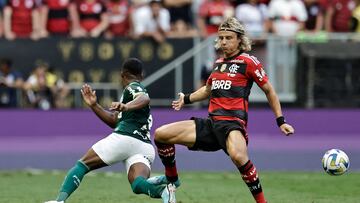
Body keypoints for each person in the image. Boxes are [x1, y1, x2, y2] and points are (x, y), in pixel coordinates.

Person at [150, 17, 295, 203]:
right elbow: (208, 90)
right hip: (211, 124)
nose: (224, 42)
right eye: (221, 38)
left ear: (239, 39)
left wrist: (280, 121)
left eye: (229, 38)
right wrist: (185, 99)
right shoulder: (218, 63)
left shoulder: (249, 62)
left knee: (238, 156)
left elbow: (269, 90)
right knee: (161, 135)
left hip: (233, 124)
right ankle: (172, 181)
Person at [44, 58, 176, 203]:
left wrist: (126, 106)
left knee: (82, 165)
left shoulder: (132, 86)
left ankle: (59, 201)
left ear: (122, 74)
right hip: (144, 146)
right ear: (142, 75)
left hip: (126, 138)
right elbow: (114, 121)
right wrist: (94, 105)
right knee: (138, 184)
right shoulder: (130, 94)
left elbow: (144, 98)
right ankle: (165, 189)